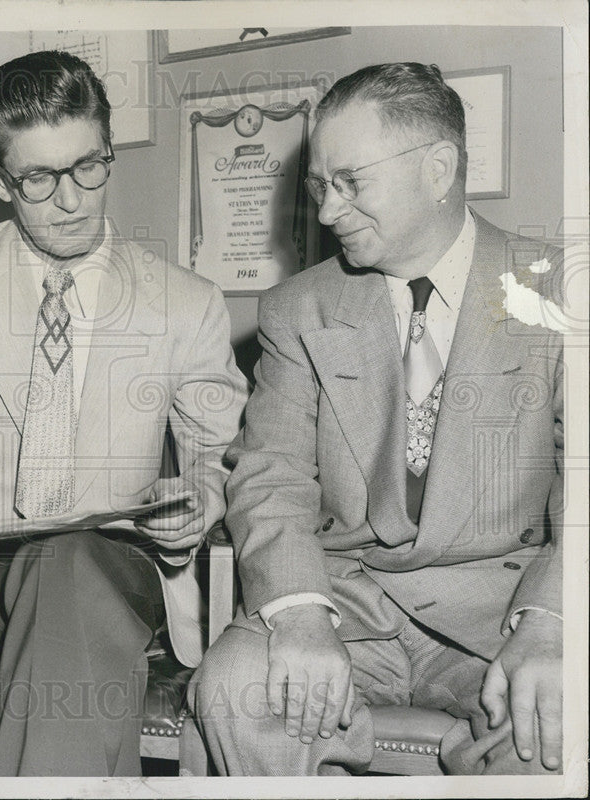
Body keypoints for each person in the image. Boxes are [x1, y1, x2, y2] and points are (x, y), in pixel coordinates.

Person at [0, 49, 248, 777]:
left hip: (125, 577)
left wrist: (199, 498)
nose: (70, 200)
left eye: (88, 168)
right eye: (38, 178)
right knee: (53, 584)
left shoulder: (185, 301)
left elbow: (222, 456)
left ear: (108, 153)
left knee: (71, 558)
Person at [190, 62, 565, 776]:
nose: (327, 212)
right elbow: (271, 475)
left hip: (501, 611)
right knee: (237, 689)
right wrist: (298, 613)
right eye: (318, 187)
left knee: (558, 721)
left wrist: (551, 622)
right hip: (343, 602)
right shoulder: (298, 308)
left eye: (350, 183)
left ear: (438, 169)